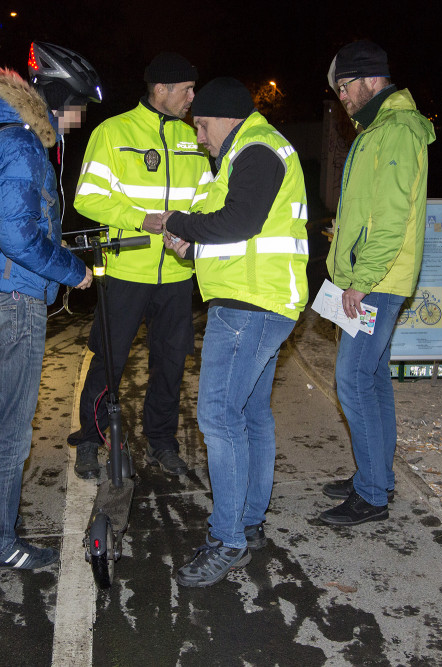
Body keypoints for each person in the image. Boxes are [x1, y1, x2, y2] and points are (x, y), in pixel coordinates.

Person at [148, 76, 309, 587]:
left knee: (218, 417)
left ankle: (228, 539)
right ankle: (249, 522)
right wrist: (192, 245)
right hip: (259, 299)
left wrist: (178, 222)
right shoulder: (250, 151)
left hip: (248, 307)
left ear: (224, 117)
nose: (199, 137)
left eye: (201, 125)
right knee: (250, 416)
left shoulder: (255, 150)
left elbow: (240, 221)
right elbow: (242, 235)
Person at [0, 42, 99, 571]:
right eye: (77, 107)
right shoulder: (20, 144)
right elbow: (20, 237)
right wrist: (73, 271)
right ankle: (0, 545)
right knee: (10, 431)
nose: (78, 119)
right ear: (57, 98)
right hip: (16, 300)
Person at [69, 52, 210, 479]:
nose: (192, 97)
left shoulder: (193, 139)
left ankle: (161, 443)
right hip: (127, 270)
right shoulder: (113, 132)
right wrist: (139, 219)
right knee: (108, 362)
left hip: (178, 274)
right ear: (160, 89)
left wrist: (195, 231)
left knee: (170, 363)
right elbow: (87, 197)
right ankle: (90, 440)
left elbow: (208, 200)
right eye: (186, 89)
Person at [319, 40, 435, 525]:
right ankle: (377, 477)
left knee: (352, 380)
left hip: (378, 281)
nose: (343, 97)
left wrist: (361, 280)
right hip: (373, 278)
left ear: (371, 79)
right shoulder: (379, 128)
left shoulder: (396, 130)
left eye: (346, 87)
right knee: (373, 378)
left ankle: (371, 495)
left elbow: (389, 220)